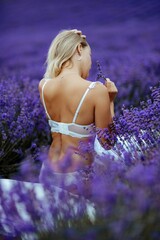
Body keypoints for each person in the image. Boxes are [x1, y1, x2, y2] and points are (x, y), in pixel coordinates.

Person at [38, 29, 118, 194]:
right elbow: (107, 142)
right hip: (77, 177)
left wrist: (68, 38)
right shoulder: (96, 90)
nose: (90, 63)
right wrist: (110, 101)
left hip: (47, 171)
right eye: (90, 56)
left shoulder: (44, 85)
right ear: (79, 50)